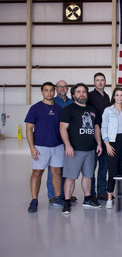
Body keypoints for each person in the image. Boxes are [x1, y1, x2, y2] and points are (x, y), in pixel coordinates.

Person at [60, 83, 103, 214]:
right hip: (74, 150)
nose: (82, 94)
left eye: (84, 91)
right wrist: (67, 145)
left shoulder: (92, 109)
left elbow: (96, 128)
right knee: (70, 177)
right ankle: (67, 202)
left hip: (90, 149)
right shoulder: (69, 109)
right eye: (78, 92)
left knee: (88, 176)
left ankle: (88, 199)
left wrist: (99, 144)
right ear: (73, 95)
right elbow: (63, 128)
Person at [25, 82, 64, 213]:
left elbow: (63, 129)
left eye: (51, 90)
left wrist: (64, 145)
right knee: (37, 172)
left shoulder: (59, 109)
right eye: (46, 90)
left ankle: (58, 197)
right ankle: (34, 200)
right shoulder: (35, 108)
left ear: (54, 92)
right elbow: (29, 129)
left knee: (57, 172)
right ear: (42, 92)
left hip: (57, 145)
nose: (49, 93)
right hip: (40, 146)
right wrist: (32, 148)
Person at [101, 87, 122, 209]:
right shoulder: (108, 111)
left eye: (121, 95)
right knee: (112, 170)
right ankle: (109, 198)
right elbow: (104, 128)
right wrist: (107, 144)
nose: (119, 97)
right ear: (113, 96)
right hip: (113, 142)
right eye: (117, 95)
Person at [47, 80, 74, 204]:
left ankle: (64, 194)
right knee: (54, 169)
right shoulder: (52, 102)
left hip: (69, 139)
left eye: (64, 87)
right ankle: (53, 195)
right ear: (56, 89)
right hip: (55, 140)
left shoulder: (71, 102)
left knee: (66, 169)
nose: (62, 89)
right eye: (60, 87)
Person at [87, 72, 110, 201]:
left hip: (105, 135)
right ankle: (91, 192)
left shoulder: (107, 97)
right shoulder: (89, 96)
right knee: (91, 166)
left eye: (102, 80)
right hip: (92, 135)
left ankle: (102, 191)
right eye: (97, 80)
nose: (100, 82)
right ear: (94, 82)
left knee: (104, 166)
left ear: (105, 82)